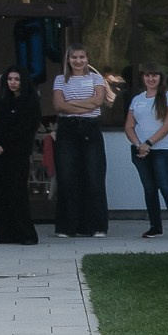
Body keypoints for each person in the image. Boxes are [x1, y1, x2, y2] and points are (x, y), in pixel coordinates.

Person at [50, 45, 115, 238]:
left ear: (87, 59)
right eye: (74, 57)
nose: (78, 61)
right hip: (67, 129)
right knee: (67, 177)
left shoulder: (96, 78)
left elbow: (98, 101)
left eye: (81, 57)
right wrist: (85, 105)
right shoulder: (60, 79)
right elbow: (58, 105)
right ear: (68, 60)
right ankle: (67, 227)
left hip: (91, 128)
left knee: (94, 177)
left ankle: (96, 226)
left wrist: (70, 104)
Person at [124, 64, 168, 241]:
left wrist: (149, 143)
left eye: (154, 75)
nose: (151, 79)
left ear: (160, 78)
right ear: (142, 77)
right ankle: (155, 227)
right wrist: (139, 144)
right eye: (147, 75)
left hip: (162, 150)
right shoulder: (137, 99)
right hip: (140, 151)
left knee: (167, 188)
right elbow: (129, 126)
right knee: (149, 189)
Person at [0, 66, 41, 245]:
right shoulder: (2, 102)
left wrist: (4, 145)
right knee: (2, 192)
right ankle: (6, 233)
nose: (13, 83)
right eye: (9, 79)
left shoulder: (30, 102)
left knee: (17, 193)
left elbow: (25, 129)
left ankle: (26, 234)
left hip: (17, 154)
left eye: (16, 79)